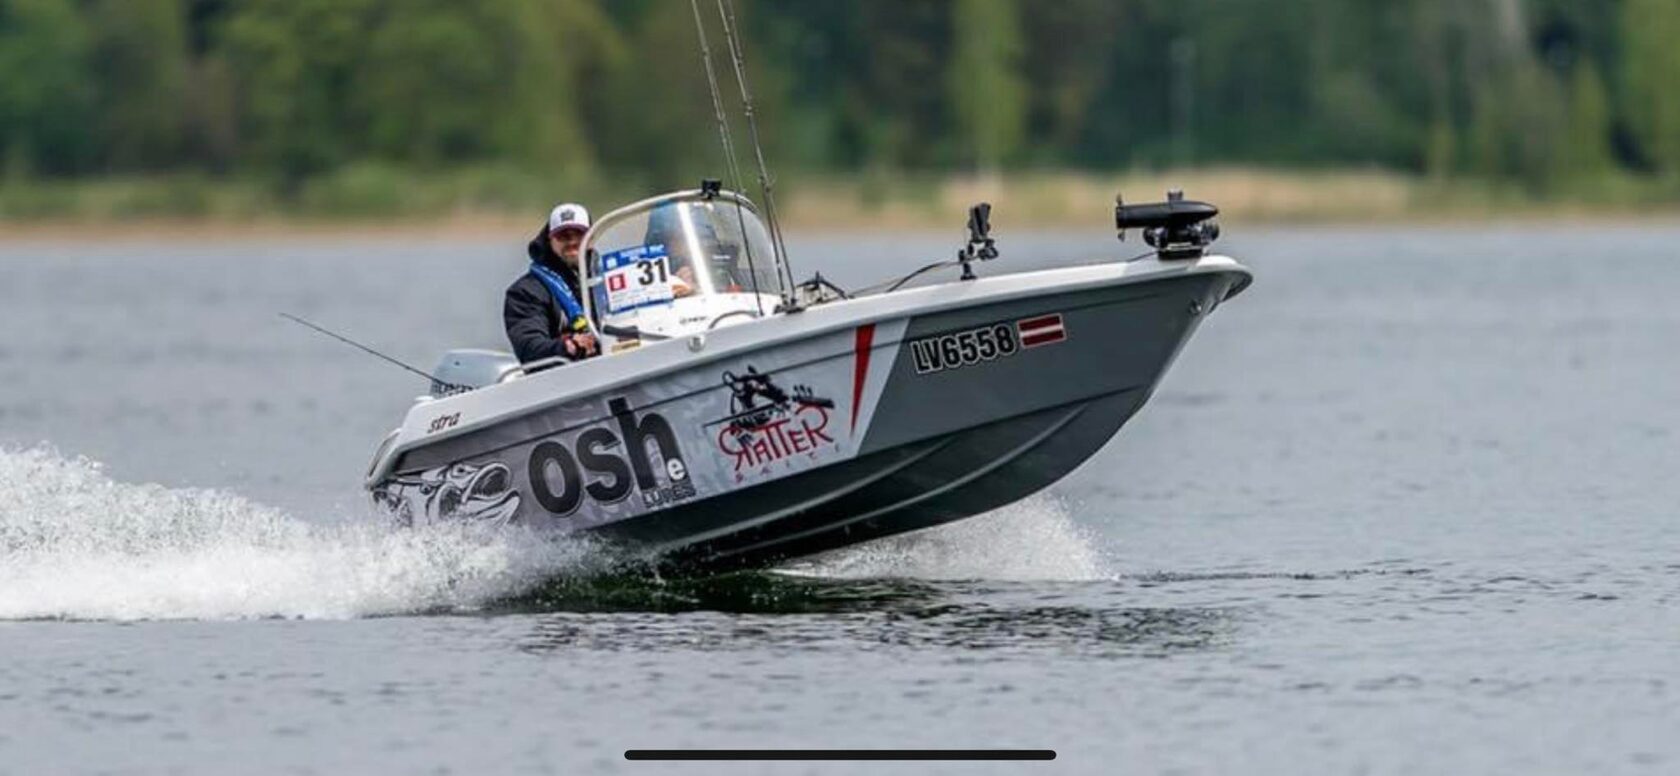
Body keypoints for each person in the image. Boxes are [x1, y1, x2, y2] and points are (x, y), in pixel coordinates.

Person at [504, 203, 600, 363]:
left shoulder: (607, 278)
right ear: (550, 240)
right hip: (566, 373)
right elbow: (529, 347)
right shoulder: (525, 292)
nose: (572, 241)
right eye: (563, 236)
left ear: (591, 238)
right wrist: (568, 346)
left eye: (579, 234)